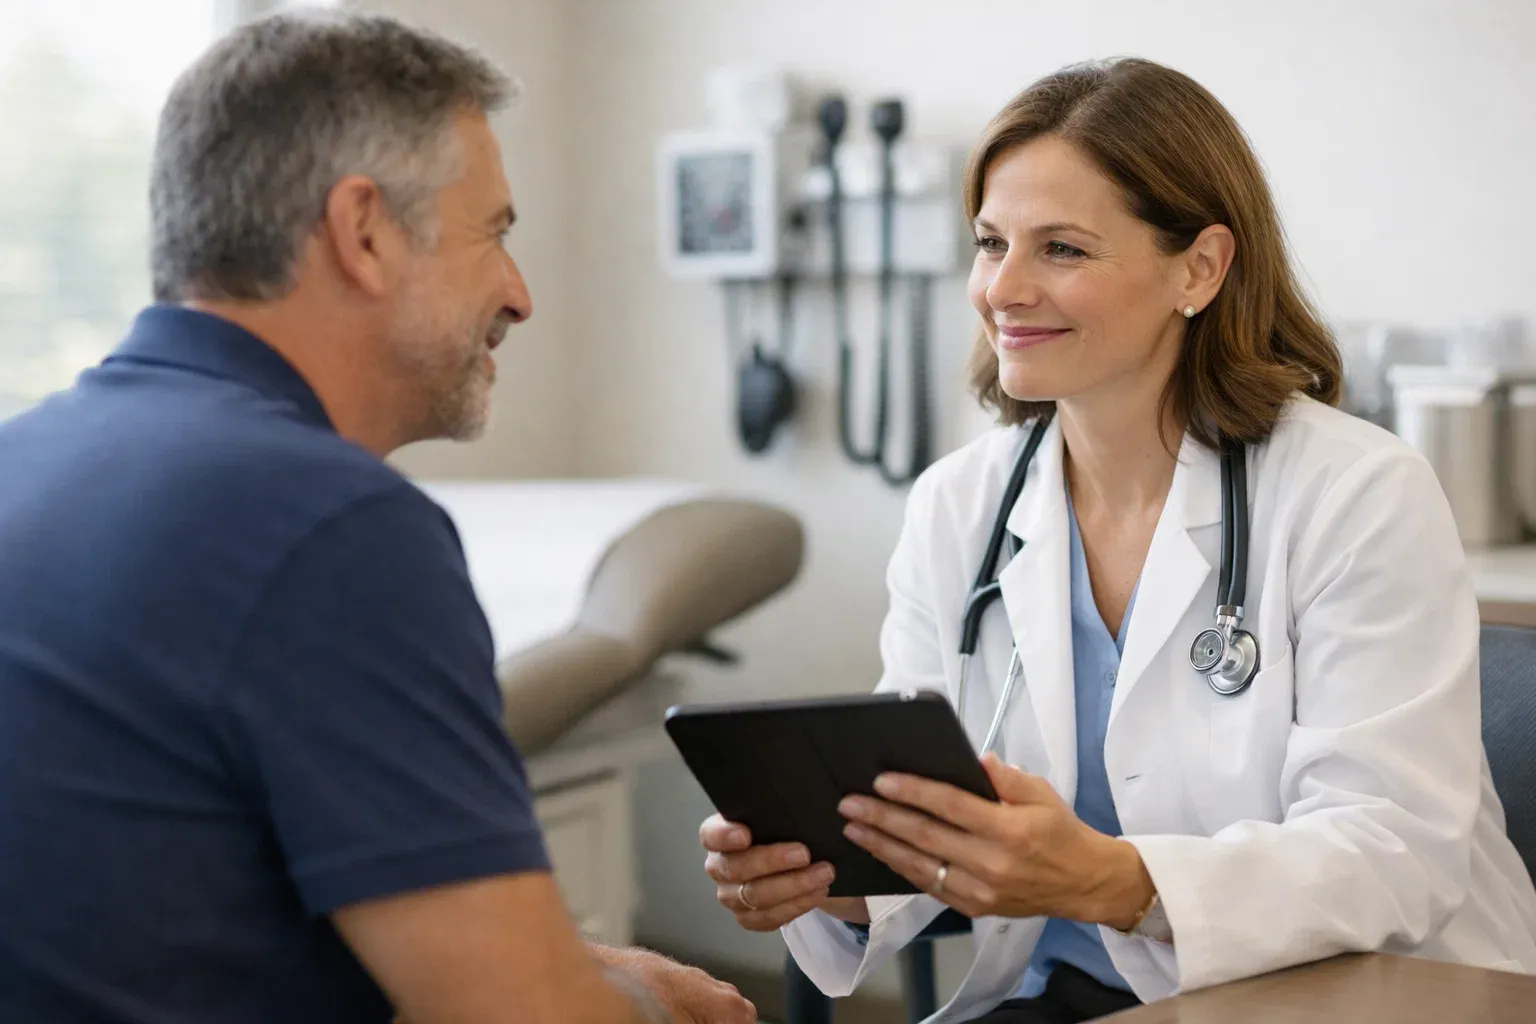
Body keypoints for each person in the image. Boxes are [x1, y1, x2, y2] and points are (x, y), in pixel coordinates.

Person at [698, 56, 1536, 1022]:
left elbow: (1395, 856)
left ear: (1201, 267)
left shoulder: (1358, 495)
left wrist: (1109, 880)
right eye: (989, 242)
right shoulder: (957, 506)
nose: (1001, 289)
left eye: (1061, 249)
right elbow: (925, 824)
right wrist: (823, 874)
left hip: (1361, 994)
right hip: (1081, 995)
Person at [0, 11, 754, 1024]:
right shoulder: (333, 525)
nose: (521, 295)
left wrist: (566, 962)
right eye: (495, 231)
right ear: (364, 231)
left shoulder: (26, 456)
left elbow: (156, 904)